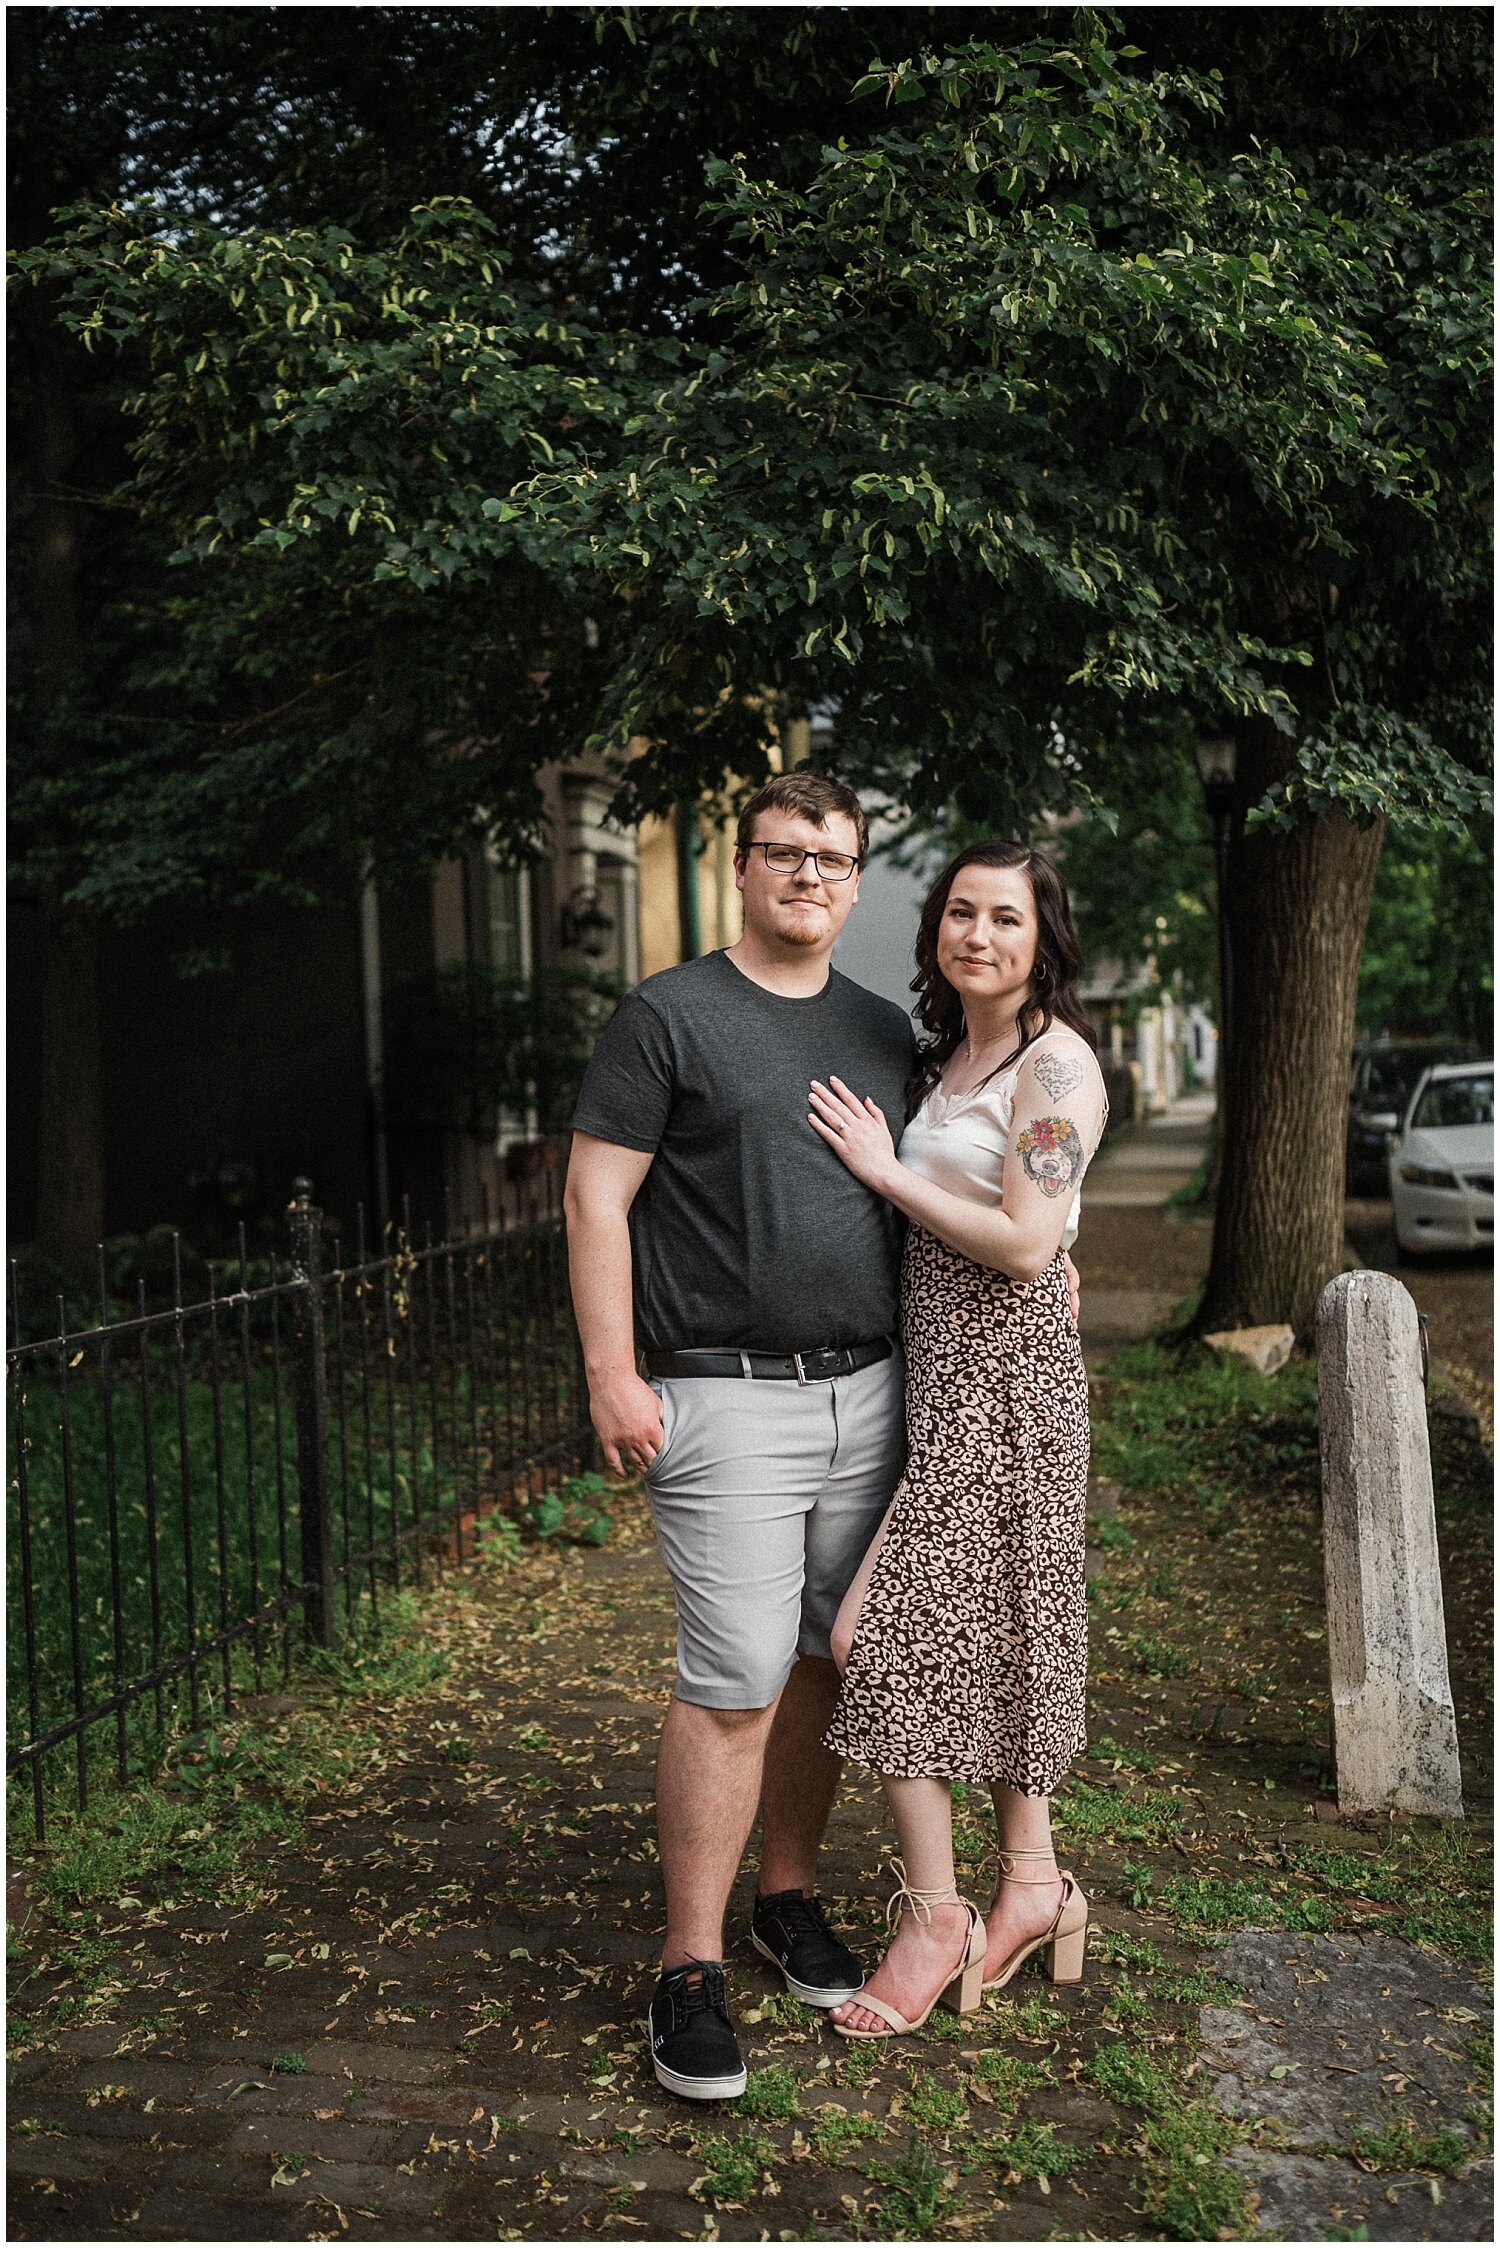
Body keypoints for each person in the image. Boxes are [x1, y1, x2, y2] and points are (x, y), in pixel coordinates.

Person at [564, 771, 917, 2100]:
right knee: (734, 1683)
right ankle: (690, 1964)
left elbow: (924, 1197)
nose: (808, 876)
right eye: (784, 853)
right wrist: (612, 1372)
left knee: (829, 1655)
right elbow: (595, 1196)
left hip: (870, 1391)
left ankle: (787, 1899)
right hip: (724, 1396)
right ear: (742, 864)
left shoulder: (883, 1030)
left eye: (832, 859)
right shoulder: (666, 1018)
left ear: (856, 880)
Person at [806, 838, 1107, 2040]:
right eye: (961, 913)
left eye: (1007, 919)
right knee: (995, 1627)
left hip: (1009, 1384)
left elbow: (1028, 1242)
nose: (978, 935)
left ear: (1044, 940)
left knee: (873, 1631)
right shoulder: (957, 1055)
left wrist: (884, 1172)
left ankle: (939, 1915)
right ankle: (1032, 1880)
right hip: (948, 1379)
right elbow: (1031, 1220)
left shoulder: (1058, 1067)